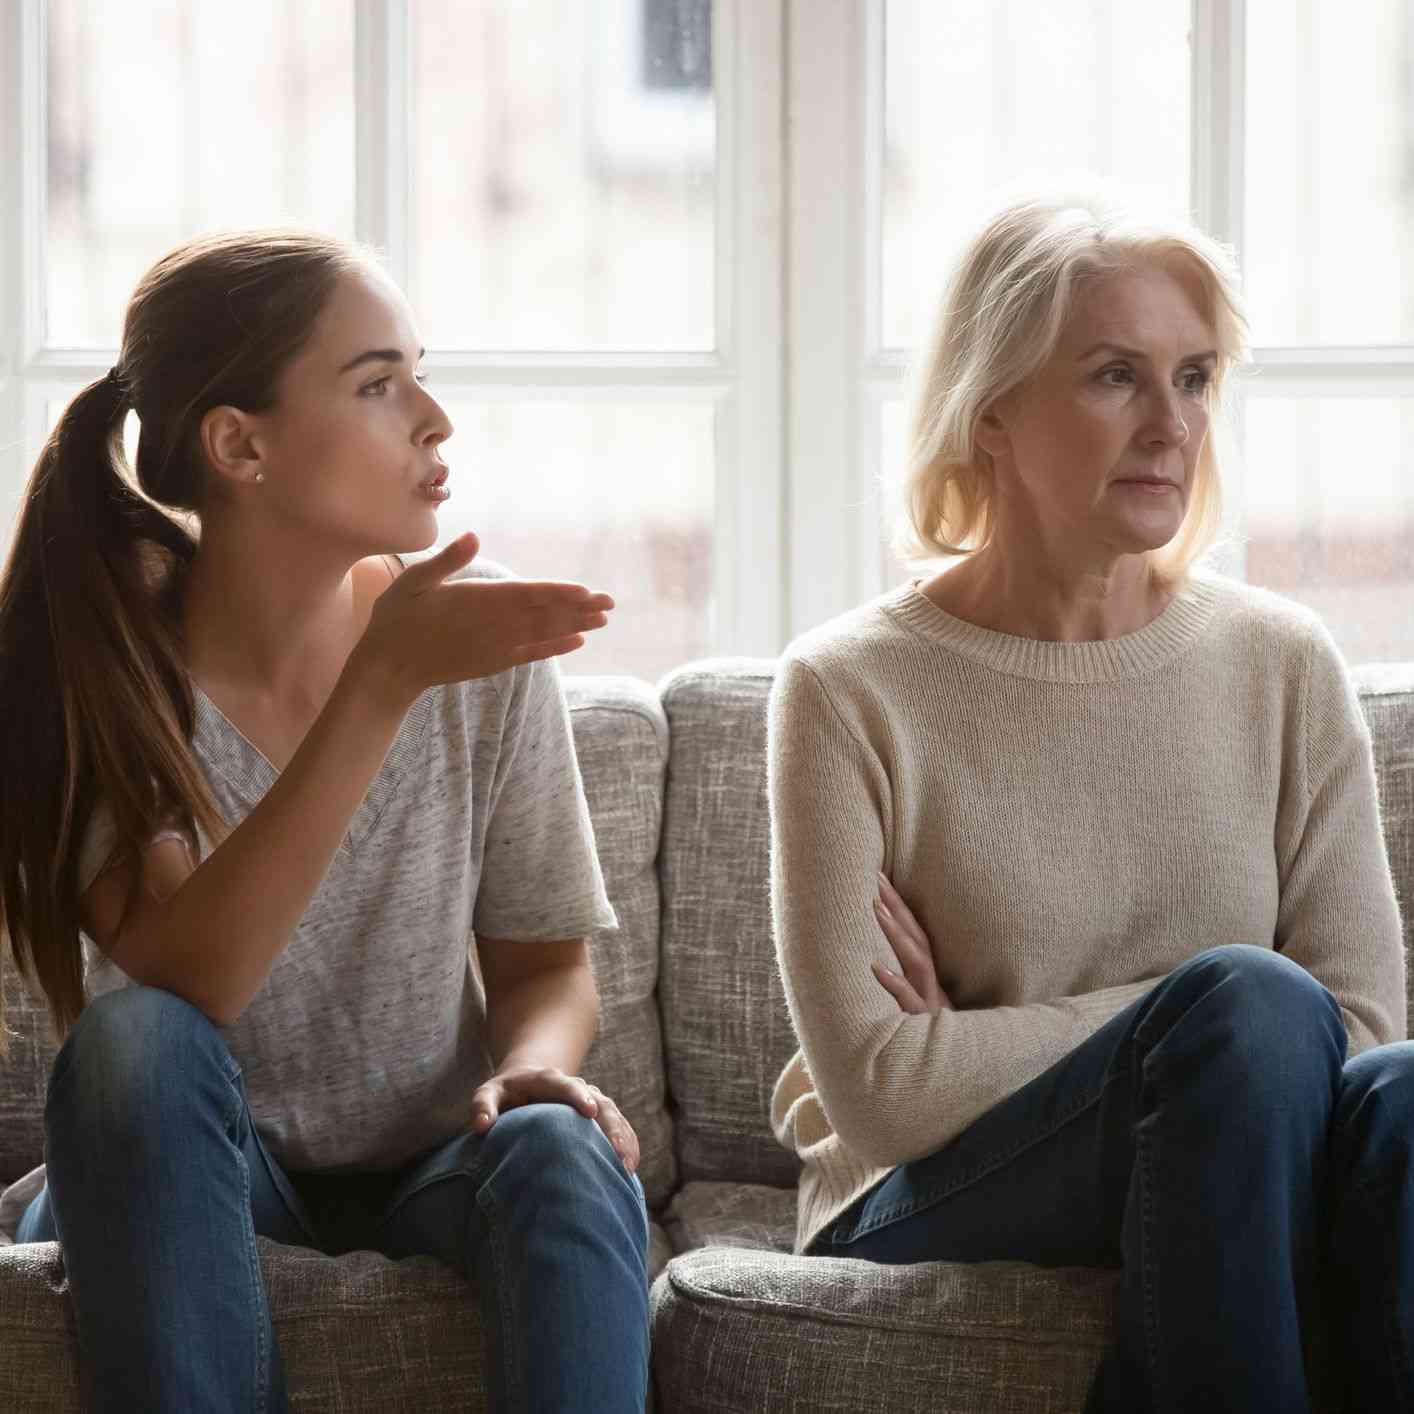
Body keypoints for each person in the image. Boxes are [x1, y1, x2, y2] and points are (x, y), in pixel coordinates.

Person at [767, 187, 1408, 1413]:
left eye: (1195, 378)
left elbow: (1360, 1027)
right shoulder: (847, 689)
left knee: (1400, 1097)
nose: (1170, 425)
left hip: (1229, 1152)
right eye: (1116, 376)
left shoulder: (1280, 661)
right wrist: (1197, 1023)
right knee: (1253, 1001)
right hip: (932, 1193)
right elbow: (886, 1093)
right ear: (990, 407)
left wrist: (1122, 1037)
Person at [0, 230, 650, 1412]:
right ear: (240, 444)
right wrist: (380, 684)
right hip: (194, 1171)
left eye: (419, 371)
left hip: (434, 1163)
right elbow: (193, 980)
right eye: (377, 383)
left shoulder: (471, 641)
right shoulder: (97, 670)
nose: (435, 416)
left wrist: (536, 1071)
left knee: (561, 1150)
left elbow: (548, 963)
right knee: (134, 1044)